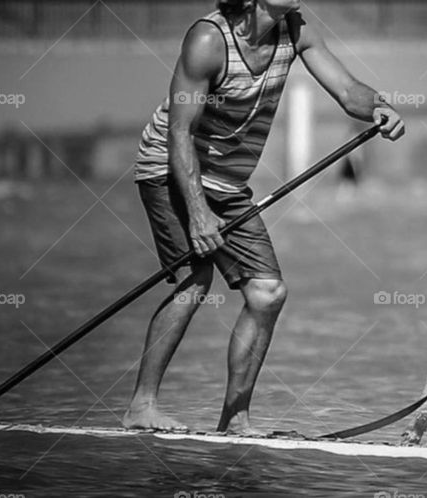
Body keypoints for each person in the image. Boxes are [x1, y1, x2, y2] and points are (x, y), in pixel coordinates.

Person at [124, 0, 404, 433]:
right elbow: (180, 131)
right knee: (194, 279)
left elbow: (348, 92)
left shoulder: (297, 29)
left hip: (228, 183)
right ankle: (142, 406)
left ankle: (235, 419)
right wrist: (198, 216)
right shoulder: (208, 40)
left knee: (267, 293)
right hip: (170, 169)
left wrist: (378, 106)